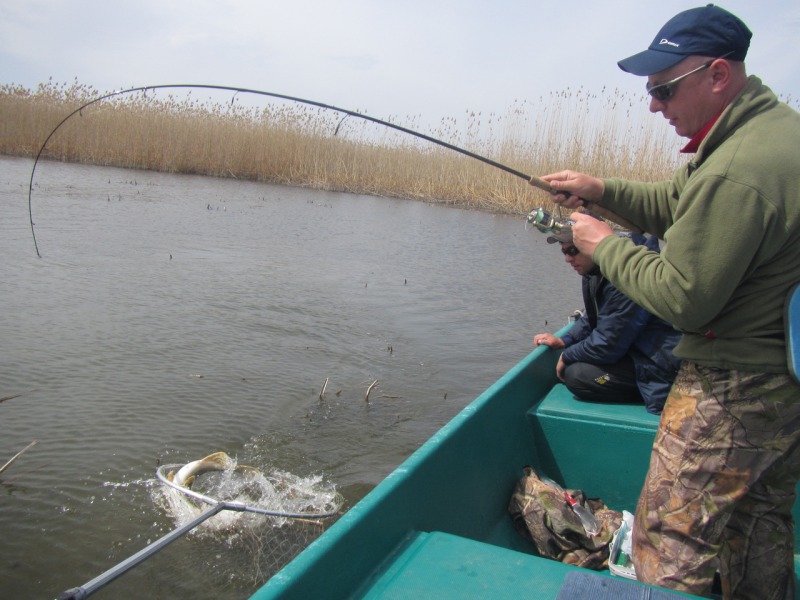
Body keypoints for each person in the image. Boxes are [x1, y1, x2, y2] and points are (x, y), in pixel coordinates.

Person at [538, 5, 800, 599]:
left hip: (735, 382)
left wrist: (604, 246)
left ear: (716, 75)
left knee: (668, 536)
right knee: (758, 522)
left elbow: (684, 299)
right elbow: (677, 200)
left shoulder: (741, 166)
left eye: (663, 88)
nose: (654, 105)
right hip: (784, 377)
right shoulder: (763, 133)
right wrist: (600, 192)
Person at [533, 228, 680, 415]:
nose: (567, 259)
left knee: (577, 376)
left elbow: (608, 344)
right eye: (564, 251)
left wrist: (567, 355)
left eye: (573, 251)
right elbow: (592, 319)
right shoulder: (594, 271)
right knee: (578, 368)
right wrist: (566, 340)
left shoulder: (625, 276)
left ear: (593, 245)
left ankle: (652, 393)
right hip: (633, 350)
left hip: (658, 364)